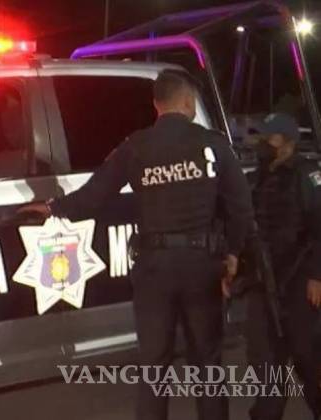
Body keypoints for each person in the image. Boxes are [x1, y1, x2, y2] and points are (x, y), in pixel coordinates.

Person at [21, 69, 253, 420]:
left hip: (154, 269)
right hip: (201, 265)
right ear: (188, 101)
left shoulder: (136, 147)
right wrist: (233, 253)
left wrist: (53, 208)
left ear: (156, 104)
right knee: (207, 363)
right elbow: (241, 206)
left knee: (154, 365)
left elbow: (93, 196)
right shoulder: (213, 144)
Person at [244, 113, 321, 420]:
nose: (264, 143)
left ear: (288, 143)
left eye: (271, 137)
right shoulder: (258, 177)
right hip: (264, 282)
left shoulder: (307, 175)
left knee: (307, 358)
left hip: (300, 281)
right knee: (266, 365)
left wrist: (317, 275)